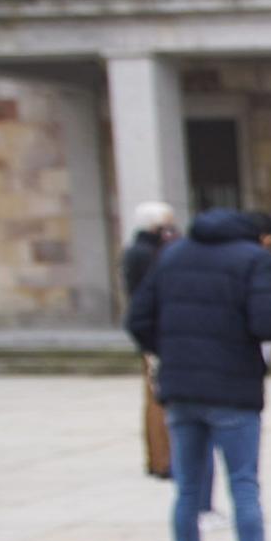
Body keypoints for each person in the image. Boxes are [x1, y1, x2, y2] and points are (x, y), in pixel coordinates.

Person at [124, 209, 271, 541]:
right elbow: (268, 324)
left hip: (181, 388)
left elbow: (137, 319)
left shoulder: (172, 255)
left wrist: (175, 352)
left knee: (188, 491)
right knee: (243, 485)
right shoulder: (256, 261)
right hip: (232, 387)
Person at [122, 202, 178, 480]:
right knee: (157, 398)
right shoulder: (145, 254)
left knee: (156, 397)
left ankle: (160, 457)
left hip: (155, 334)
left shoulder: (144, 250)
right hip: (156, 336)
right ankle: (161, 459)